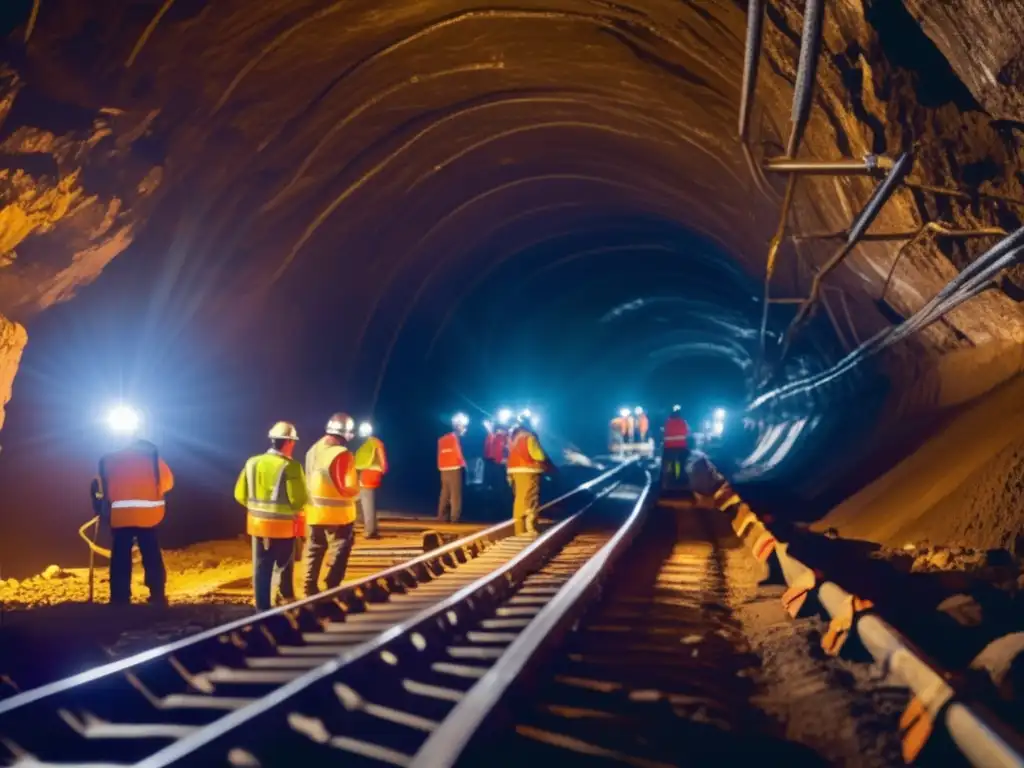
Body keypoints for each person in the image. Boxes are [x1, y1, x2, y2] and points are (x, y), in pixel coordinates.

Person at [93, 434, 174, 605]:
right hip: (149, 515)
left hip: (120, 516)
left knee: (120, 556)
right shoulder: (152, 458)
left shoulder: (108, 459)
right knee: (151, 553)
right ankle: (157, 595)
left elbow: (98, 488)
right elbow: (167, 483)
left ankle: (120, 597)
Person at [234, 421, 308, 611]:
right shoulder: (291, 467)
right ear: (289, 442)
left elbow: (239, 495)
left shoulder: (252, 462)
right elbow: (298, 499)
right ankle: (281, 599)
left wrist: (258, 509)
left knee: (260, 566)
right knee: (281, 564)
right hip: (282, 527)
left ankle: (262, 608)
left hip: (257, 526)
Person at [302, 412, 361, 596]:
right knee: (341, 547)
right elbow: (348, 486)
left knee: (314, 549)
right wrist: (356, 493)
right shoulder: (343, 454)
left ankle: (309, 586)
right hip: (338, 513)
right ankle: (332, 585)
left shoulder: (312, 450)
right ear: (346, 434)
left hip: (314, 510)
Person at [507, 415, 554, 535]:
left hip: (513, 471)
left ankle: (519, 529)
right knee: (530, 499)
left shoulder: (514, 437)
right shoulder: (529, 437)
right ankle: (531, 527)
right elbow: (539, 455)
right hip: (529, 471)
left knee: (519, 499)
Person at [354, 420, 388, 539]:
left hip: (361, 472)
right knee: (366, 502)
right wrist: (383, 469)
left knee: (362, 501)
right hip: (369, 473)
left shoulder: (357, 443)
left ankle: (366, 528)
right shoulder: (375, 442)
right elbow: (383, 460)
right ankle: (370, 529)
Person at [437, 412, 468, 522]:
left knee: (445, 493)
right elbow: (458, 452)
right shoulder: (455, 438)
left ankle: (442, 516)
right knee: (455, 494)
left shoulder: (441, 439)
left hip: (443, 468)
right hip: (454, 467)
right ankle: (455, 517)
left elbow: (440, 453)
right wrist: (464, 464)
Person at [662, 405, 692, 486]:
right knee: (681, 464)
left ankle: (670, 480)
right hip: (681, 447)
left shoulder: (667, 423)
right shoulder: (683, 422)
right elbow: (688, 433)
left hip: (669, 447)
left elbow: (664, 434)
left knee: (670, 464)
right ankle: (680, 481)